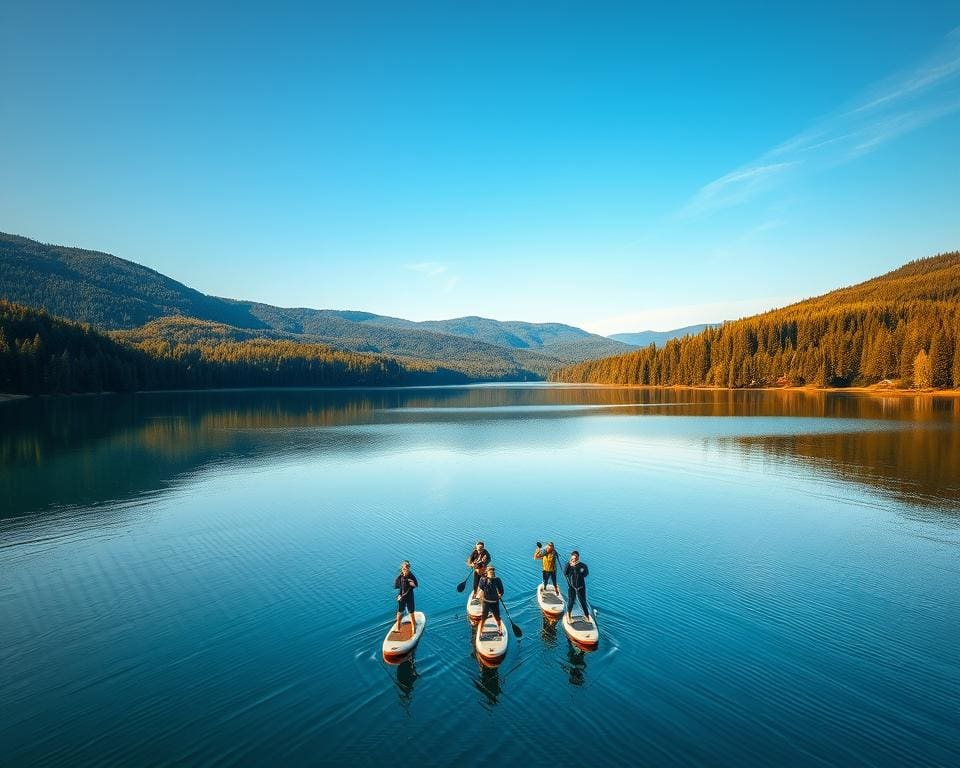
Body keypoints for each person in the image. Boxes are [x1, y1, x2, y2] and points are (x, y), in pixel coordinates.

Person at [563, 550, 591, 623]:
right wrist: (569, 564)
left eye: (575, 558)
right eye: (572, 558)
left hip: (580, 587)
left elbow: (586, 574)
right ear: (571, 558)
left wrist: (576, 569)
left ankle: (587, 616)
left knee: (583, 601)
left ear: (578, 558)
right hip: (572, 587)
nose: (574, 560)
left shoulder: (583, 565)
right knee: (571, 601)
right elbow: (565, 573)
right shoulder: (569, 565)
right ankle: (568, 615)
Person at [476, 565, 505, 636]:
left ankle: (500, 629)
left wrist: (499, 595)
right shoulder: (483, 580)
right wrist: (478, 595)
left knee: (497, 617)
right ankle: (481, 631)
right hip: (486, 602)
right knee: (484, 617)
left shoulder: (497, 580)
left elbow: (502, 591)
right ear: (487, 573)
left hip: (494, 602)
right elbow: (480, 590)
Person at [394, 560, 418, 634]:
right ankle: (398, 627)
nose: (405, 570)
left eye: (407, 569)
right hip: (401, 596)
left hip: (409, 596)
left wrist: (412, 584)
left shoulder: (411, 576)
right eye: (404, 569)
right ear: (402, 568)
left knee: (411, 612)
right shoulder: (400, 577)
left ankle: (414, 627)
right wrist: (399, 595)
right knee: (399, 612)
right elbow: (399, 587)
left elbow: (416, 585)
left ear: (409, 569)